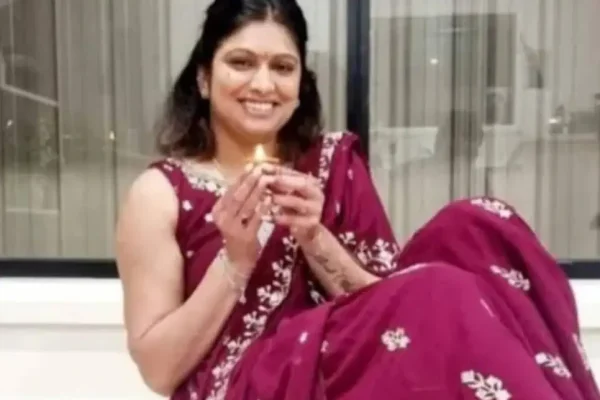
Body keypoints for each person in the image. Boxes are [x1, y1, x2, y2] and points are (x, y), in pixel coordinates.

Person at [115, 0, 600, 399]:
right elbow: (159, 372)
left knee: (479, 225)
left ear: (300, 85)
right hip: (246, 382)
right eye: (241, 62)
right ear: (204, 78)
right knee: (441, 288)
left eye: (282, 67)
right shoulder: (160, 194)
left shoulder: (332, 164)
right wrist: (235, 263)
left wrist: (313, 235)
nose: (263, 84)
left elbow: (387, 306)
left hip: (341, 355)